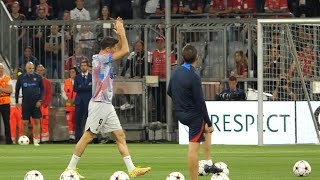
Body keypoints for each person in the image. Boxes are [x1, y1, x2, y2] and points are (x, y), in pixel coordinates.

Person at [65, 17, 151, 179]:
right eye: (113, 48)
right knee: (88, 136)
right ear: (107, 49)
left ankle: (131, 169)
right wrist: (123, 33)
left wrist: (119, 34)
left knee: (120, 136)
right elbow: (124, 50)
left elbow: (120, 47)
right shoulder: (100, 59)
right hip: (99, 104)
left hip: (106, 104)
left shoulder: (104, 57)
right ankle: (70, 169)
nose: (115, 50)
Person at [167, 45, 222, 180]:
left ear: (182, 57)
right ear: (197, 57)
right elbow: (200, 102)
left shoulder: (175, 72)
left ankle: (208, 163)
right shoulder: (194, 76)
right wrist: (208, 122)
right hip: (193, 116)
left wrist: (181, 103)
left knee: (205, 130)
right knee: (194, 148)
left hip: (179, 113)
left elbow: (169, 91)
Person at [15, 62, 44, 146]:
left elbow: (42, 89)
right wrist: (17, 102)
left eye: (32, 68)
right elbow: (17, 90)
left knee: (36, 120)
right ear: (26, 68)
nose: (31, 70)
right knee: (25, 122)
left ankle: (36, 140)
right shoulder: (21, 78)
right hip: (25, 103)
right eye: (29, 68)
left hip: (36, 103)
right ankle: (24, 139)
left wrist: (40, 100)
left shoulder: (38, 77)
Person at [73, 60, 92, 142]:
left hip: (88, 102)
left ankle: (89, 139)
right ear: (80, 67)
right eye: (82, 65)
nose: (83, 67)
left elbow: (92, 88)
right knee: (78, 121)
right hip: (79, 102)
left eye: (85, 65)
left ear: (87, 67)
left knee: (89, 121)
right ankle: (78, 139)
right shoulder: (77, 77)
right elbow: (75, 89)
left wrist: (81, 87)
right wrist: (86, 87)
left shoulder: (92, 76)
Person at [35, 65, 52, 143]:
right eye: (38, 70)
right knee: (35, 122)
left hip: (44, 106)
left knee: (45, 122)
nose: (39, 71)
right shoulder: (33, 81)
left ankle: (45, 139)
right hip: (35, 105)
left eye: (41, 70)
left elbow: (49, 94)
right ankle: (36, 139)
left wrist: (45, 104)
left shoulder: (47, 82)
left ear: (43, 71)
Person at [63, 67, 78, 143]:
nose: (72, 73)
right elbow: (63, 92)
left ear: (76, 73)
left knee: (77, 121)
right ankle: (71, 137)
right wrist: (67, 99)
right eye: (70, 72)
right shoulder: (66, 82)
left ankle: (78, 136)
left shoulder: (79, 81)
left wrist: (75, 100)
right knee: (70, 121)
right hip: (69, 105)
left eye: (73, 72)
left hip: (77, 105)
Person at [0, 63, 13, 144]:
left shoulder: (7, 78)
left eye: (1, 68)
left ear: (3, 69)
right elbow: (7, 89)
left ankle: (8, 140)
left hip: (5, 103)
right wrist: (5, 89)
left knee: (7, 122)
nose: (0, 70)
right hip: (4, 99)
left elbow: (10, 90)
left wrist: (1, 88)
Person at [10, 67, 23, 144]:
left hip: (20, 106)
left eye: (15, 72)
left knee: (21, 124)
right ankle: (13, 140)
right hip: (11, 106)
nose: (14, 74)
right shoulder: (10, 82)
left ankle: (22, 140)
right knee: (12, 125)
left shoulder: (22, 82)